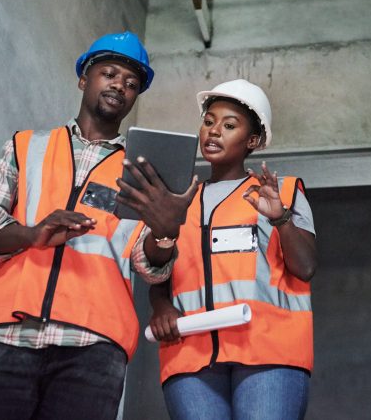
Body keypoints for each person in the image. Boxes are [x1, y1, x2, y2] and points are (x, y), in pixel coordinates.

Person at [0, 31, 198, 420]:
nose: (120, 86)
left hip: (93, 350)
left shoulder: (142, 171)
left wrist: (165, 234)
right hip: (7, 338)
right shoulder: (26, 146)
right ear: (84, 79)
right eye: (109, 74)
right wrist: (31, 235)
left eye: (131, 84)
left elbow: (150, 265)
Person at [117, 79, 317, 420]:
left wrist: (281, 218)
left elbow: (306, 266)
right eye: (208, 121)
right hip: (189, 354)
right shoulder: (178, 198)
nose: (213, 132)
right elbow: (161, 272)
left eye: (229, 125)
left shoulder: (281, 191)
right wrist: (161, 306)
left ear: (252, 140)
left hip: (268, 351)